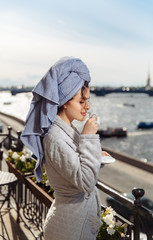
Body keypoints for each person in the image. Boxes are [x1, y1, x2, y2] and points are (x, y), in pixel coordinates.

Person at [21, 57, 110, 240]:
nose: (88, 107)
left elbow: (75, 164)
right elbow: (86, 182)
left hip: (73, 222)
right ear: (65, 102)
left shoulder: (66, 129)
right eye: (81, 101)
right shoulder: (55, 137)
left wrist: (95, 154)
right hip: (70, 230)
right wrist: (88, 137)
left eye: (88, 101)